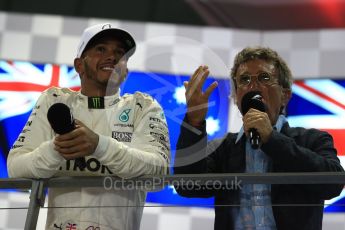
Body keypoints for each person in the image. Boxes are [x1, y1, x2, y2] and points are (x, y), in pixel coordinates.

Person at [7, 23, 171, 230]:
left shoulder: (143, 106)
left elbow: (159, 174)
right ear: (79, 65)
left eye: (119, 53)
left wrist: (99, 146)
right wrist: (58, 149)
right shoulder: (55, 100)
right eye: (101, 49)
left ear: (126, 70)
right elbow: (16, 168)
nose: (111, 56)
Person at [173, 46, 344, 230]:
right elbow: (186, 186)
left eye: (264, 77)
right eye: (244, 80)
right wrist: (194, 121)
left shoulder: (313, 140)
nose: (253, 86)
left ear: (285, 95)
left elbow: (333, 184)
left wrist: (272, 139)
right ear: (237, 98)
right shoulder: (223, 148)